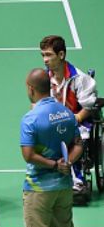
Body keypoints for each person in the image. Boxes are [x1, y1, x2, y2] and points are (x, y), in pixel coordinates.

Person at [12, 68, 83, 227]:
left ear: (31, 89)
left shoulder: (30, 118)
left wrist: (53, 163)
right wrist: (67, 164)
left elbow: (28, 155)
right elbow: (77, 144)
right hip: (64, 186)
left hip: (38, 189)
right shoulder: (66, 113)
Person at [39, 35, 97, 203]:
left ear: (61, 55)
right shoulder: (44, 78)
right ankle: (51, 175)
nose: (45, 60)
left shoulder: (79, 78)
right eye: (43, 55)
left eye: (49, 55)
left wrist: (76, 118)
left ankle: (77, 181)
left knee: (73, 139)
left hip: (77, 122)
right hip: (52, 122)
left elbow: (88, 106)